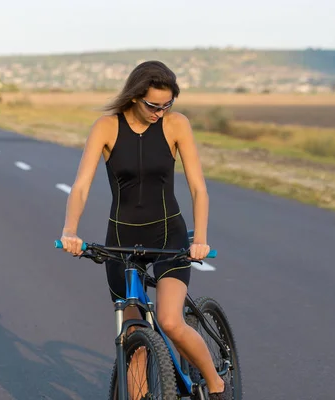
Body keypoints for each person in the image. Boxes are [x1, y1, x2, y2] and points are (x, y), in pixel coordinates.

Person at [59, 60, 227, 399]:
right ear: (135, 96)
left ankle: (216, 384)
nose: (160, 112)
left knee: (169, 321)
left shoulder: (176, 125)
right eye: (153, 105)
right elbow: (81, 186)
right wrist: (70, 231)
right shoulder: (106, 127)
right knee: (133, 336)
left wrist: (202, 239)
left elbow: (199, 188)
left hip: (169, 236)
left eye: (167, 105)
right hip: (121, 240)